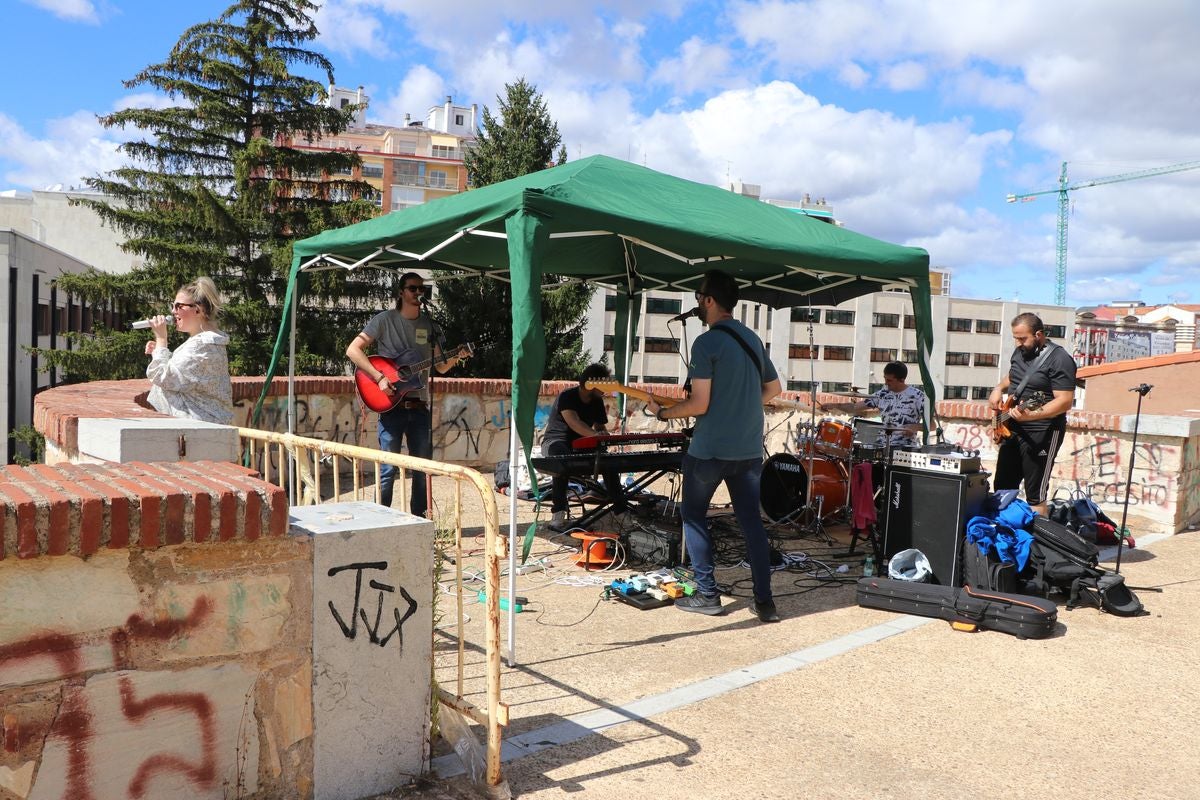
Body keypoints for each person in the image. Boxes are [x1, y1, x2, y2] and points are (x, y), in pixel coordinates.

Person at [646, 269, 783, 623]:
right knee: (751, 521)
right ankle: (765, 602)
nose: (697, 305)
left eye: (699, 299)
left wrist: (663, 413)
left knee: (693, 516)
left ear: (708, 300)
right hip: (749, 448)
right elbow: (774, 389)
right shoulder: (751, 338)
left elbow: (699, 404)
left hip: (709, 450)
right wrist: (741, 405)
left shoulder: (706, 343)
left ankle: (708, 596)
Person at [346, 272, 467, 517]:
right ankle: (379, 519)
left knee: (422, 469)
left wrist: (457, 355)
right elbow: (353, 349)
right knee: (388, 470)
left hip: (419, 406)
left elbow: (441, 367)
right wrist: (379, 377)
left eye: (422, 289)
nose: (418, 293)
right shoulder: (384, 320)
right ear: (401, 292)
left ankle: (418, 521)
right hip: (390, 407)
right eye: (413, 288)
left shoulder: (430, 326)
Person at [988, 312, 1077, 516]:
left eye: (1022, 338)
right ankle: (1008, 537)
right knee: (1002, 487)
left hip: (1043, 431)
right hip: (1013, 428)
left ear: (1039, 334)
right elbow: (1014, 376)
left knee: (1035, 493)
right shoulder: (1020, 353)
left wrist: (1031, 416)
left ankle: (1039, 544)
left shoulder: (1060, 359)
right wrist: (997, 389)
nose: (1018, 343)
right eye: (1015, 338)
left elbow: (1064, 401)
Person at [541, 363, 627, 530]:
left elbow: (600, 428)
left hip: (582, 444)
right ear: (592, 383)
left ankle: (621, 510)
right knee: (561, 458)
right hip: (556, 442)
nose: (606, 388)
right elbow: (574, 422)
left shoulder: (597, 401)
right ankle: (558, 513)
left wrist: (604, 438)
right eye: (604, 384)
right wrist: (595, 435)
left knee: (608, 462)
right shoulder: (567, 396)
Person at [144, 277, 233, 425]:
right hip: (206, 429)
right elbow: (186, 375)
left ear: (198, 310)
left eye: (179, 306)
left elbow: (161, 376)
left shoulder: (202, 345)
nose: (173, 311)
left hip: (200, 432)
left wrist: (161, 340)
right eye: (172, 305)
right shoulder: (206, 343)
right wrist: (159, 351)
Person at [821, 361, 925, 449]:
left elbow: (932, 425)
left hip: (904, 448)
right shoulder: (883, 394)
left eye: (889, 380)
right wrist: (835, 405)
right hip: (881, 446)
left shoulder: (918, 396)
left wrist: (915, 427)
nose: (886, 383)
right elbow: (855, 407)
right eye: (885, 379)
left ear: (902, 380)